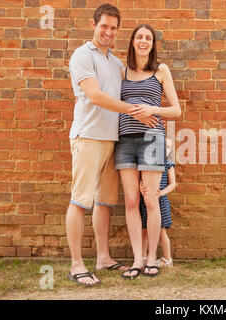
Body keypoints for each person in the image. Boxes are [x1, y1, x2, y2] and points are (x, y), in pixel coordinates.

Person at [66, 4, 159, 286]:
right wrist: (133, 109)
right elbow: (94, 95)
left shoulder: (116, 63)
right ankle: (76, 265)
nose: (108, 32)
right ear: (94, 25)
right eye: (104, 26)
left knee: (104, 202)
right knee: (80, 200)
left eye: (113, 28)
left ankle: (103, 257)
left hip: (112, 140)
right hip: (89, 137)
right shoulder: (83, 55)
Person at [115, 24, 181, 279]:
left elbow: (176, 110)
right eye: (139, 37)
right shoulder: (122, 72)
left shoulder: (160, 70)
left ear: (153, 44)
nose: (144, 41)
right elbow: (112, 103)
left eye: (148, 38)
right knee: (131, 201)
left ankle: (153, 258)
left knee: (150, 198)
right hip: (125, 141)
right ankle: (137, 259)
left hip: (153, 140)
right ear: (132, 42)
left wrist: (152, 110)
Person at [140, 138, 176, 268]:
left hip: (161, 201)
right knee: (144, 230)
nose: (164, 149)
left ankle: (167, 259)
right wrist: (141, 188)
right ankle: (143, 257)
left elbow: (173, 184)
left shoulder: (168, 164)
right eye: (162, 146)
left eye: (167, 147)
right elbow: (141, 180)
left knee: (161, 231)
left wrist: (161, 192)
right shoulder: (147, 163)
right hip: (146, 200)